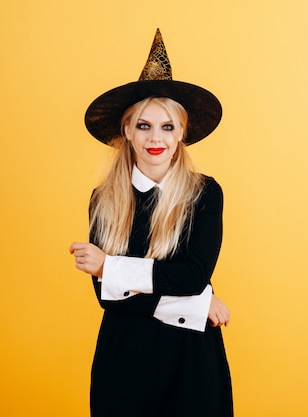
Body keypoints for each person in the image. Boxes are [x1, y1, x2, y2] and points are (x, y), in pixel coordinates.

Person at [69, 29, 233, 417]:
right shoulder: (104, 199)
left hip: (192, 358)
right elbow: (108, 298)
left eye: (167, 127)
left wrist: (110, 266)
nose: (155, 138)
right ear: (126, 131)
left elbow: (192, 275)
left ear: (181, 134)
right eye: (143, 125)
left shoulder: (204, 193)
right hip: (124, 359)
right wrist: (198, 304)